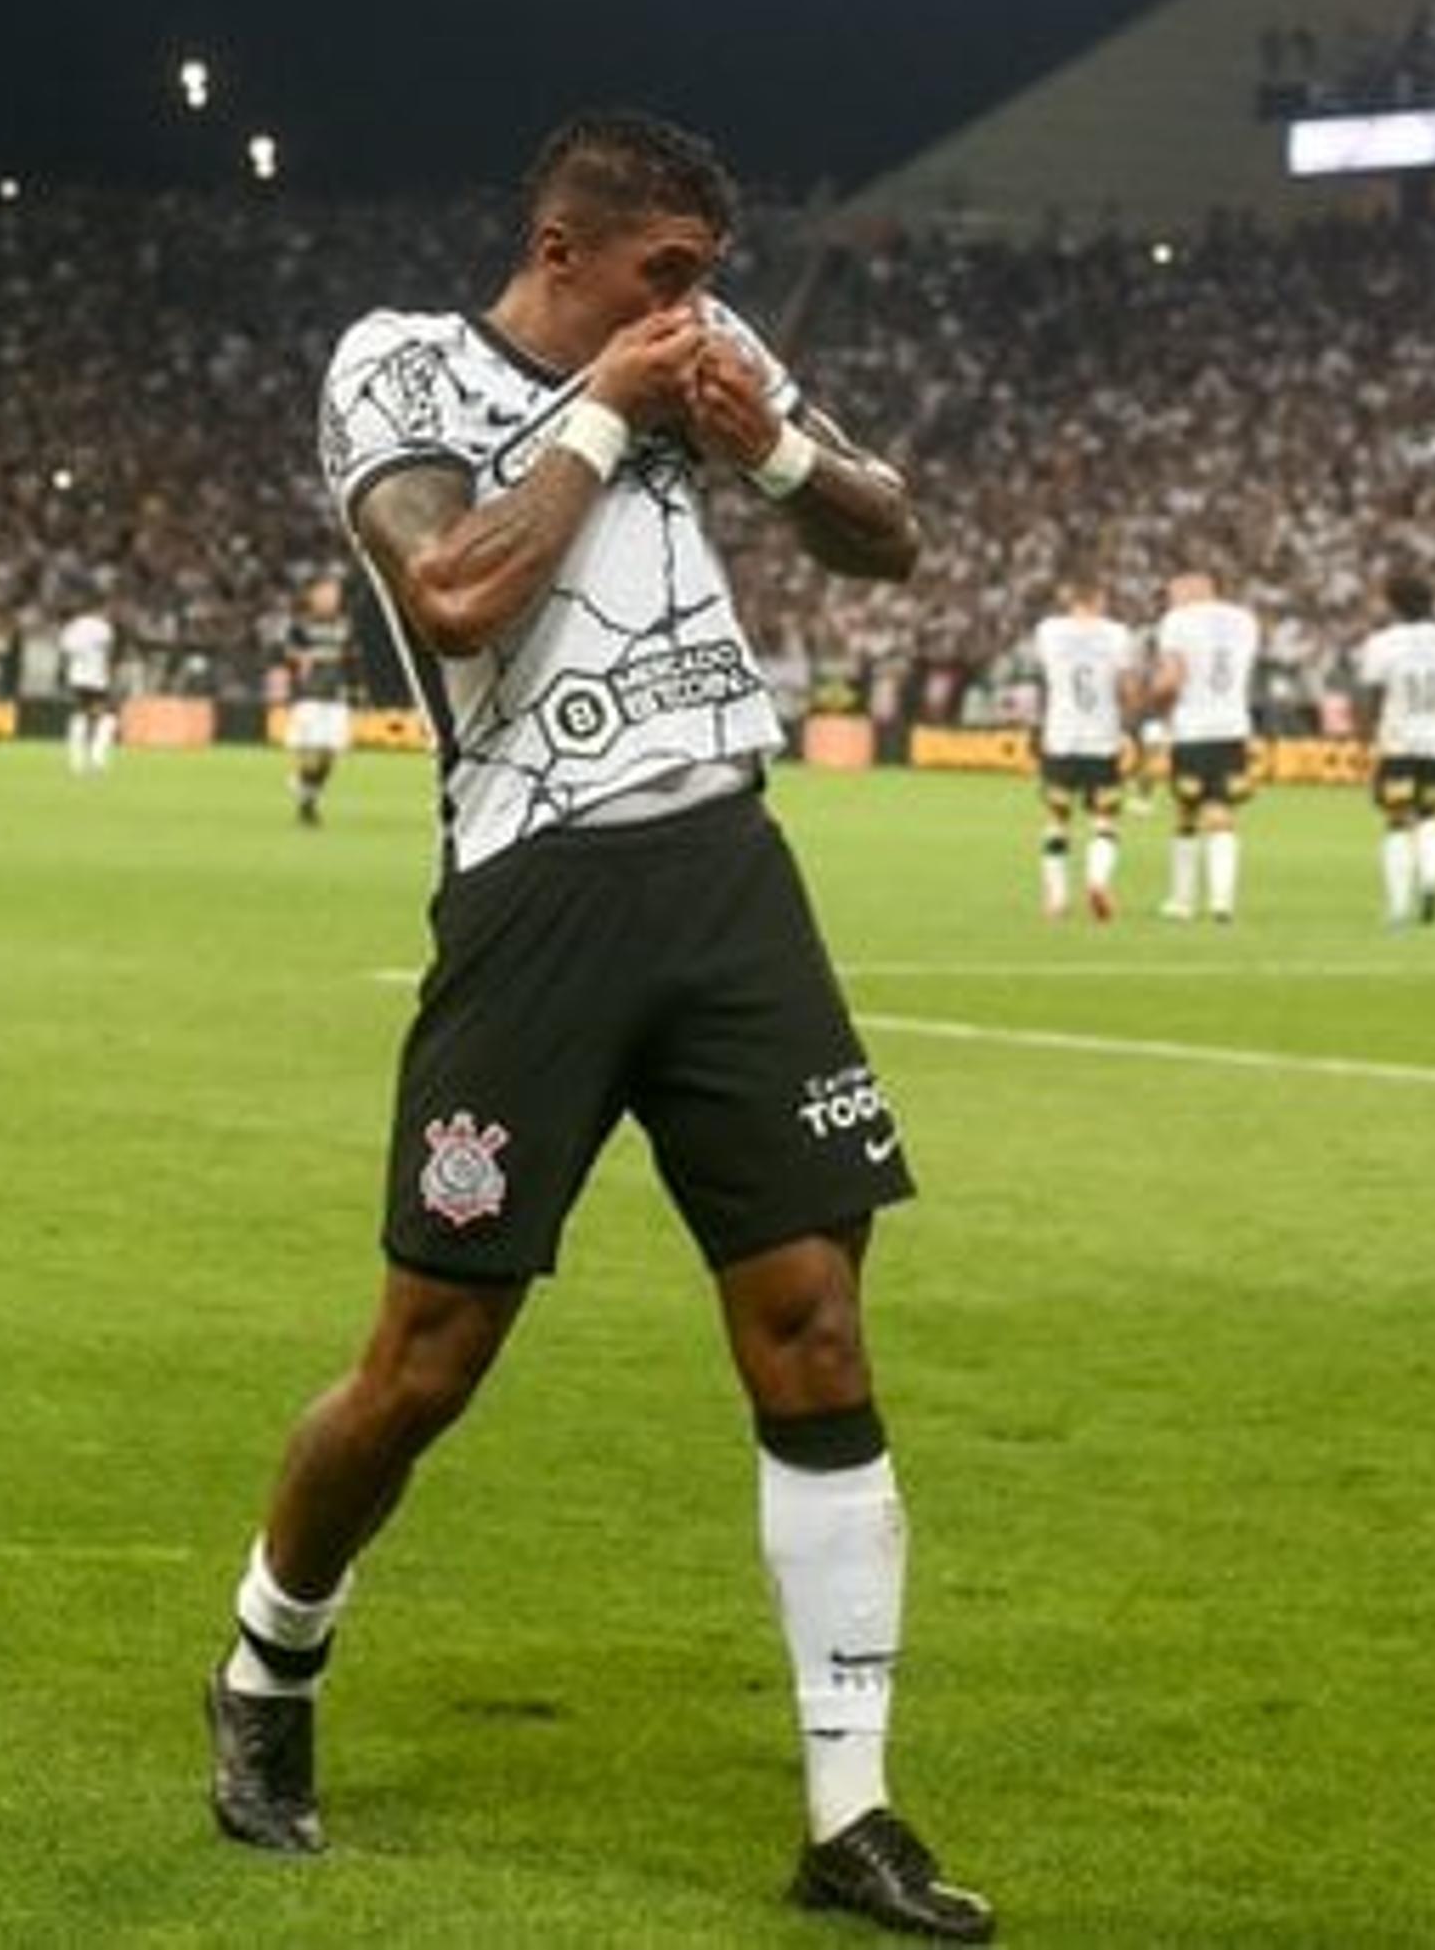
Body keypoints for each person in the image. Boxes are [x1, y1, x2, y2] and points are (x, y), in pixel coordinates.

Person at [206, 111, 991, 1942]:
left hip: (728, 876)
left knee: (812, 1322)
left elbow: (894, 539)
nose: (698, 308)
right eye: (669, 278)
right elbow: (456, 590)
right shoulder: (397, 362)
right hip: (534, 892)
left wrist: (769, 433)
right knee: (428, 1357)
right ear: (566, 252)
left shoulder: (706, 354)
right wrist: (608, 416)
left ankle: (849, 1807)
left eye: (711, 280)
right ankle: (269, 1662)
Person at [1353, 573, 1435, 925]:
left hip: (1397, 740)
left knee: (1396, 822)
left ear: (1392, 604)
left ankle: (1398, 906)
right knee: (1431, 816)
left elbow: (1372, 695)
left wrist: (1365, 738)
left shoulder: (1383, 643)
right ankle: (1432, 880)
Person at [1148, 567, 1260, 923]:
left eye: (1173, 591)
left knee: (1186, 814)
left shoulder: (1177, 622)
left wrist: (1152, 698)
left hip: (1193, 728)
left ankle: (1182, 902)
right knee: (1223, 815)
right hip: (1232, 727)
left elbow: (1172, 679)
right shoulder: (1245, 620)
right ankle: (1221, 902)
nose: (1170, 599)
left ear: (1194, 588)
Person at [1028, 576, 1138, 920]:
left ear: (1070, 599)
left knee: (1057, 819)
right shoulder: (1118, 634)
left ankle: (1057, 899)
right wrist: (1131, 723)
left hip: (1060, 736)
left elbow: (1046, 675)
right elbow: (1127, 689)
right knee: (1104, 820)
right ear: (1100, 599)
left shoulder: (1048, 630)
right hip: (1101, 739)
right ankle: (1097, 880)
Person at [276, 573, 359, 827]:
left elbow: (352, 659)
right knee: (307, 748)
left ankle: (304, 786)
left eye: (333, 594)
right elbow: (286, 654)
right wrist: (299, 659)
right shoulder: (300, 625)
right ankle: (307, 805)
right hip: (308, 696)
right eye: (325, 593)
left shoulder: (345, 626)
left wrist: (356, 689)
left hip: (336, 696)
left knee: (331, 752)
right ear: (313, 596)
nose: (330, 598)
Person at [59, 599, 118, 776]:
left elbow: (65, 652)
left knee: (80, 713)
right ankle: (97, 759)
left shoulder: (72, 627)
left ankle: (76, 761)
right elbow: (109, 652)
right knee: (107, 716)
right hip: (96, 677)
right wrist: (109, 673)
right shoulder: (103, 627)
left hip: (76, 676)